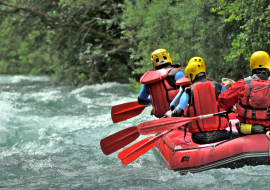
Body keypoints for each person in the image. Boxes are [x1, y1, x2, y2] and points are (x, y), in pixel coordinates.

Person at [169, 62, 229, 144]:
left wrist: (169, 116)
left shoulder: (188, 91)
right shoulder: (218, 86)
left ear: (191, 75)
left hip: (199, 137)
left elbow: (178, 113)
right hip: (221, 134)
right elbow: (231, 102)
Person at [218, 51, 270, 135]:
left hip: (247, 129)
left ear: (251, 65)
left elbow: (222, 101)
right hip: (267, 129)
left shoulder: (243, 84)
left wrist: (227, 91)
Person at [138, 49, 185, 118]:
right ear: (168, 57)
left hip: (162, 118)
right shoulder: (177, 73)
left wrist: (155, 99)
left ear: (153, 62)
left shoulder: (149, 80)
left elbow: (141, 101)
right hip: (179, 115)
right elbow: (187, 91)